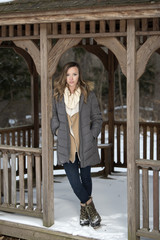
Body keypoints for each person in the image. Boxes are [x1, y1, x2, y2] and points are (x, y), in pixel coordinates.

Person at [51, 62, 103, 228]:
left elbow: (97, 118)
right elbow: (54, 119)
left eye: (74, 74)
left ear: (79, 75)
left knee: (86, 178)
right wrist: (58, 131)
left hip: (85, 144)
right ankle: (91, 208)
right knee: (74, 181)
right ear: (64, 76)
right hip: (66, 146)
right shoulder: (57, 95)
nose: (71, 78)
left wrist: (92, 135)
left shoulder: (88, 94)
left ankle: (83, 211)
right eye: (68, 74)